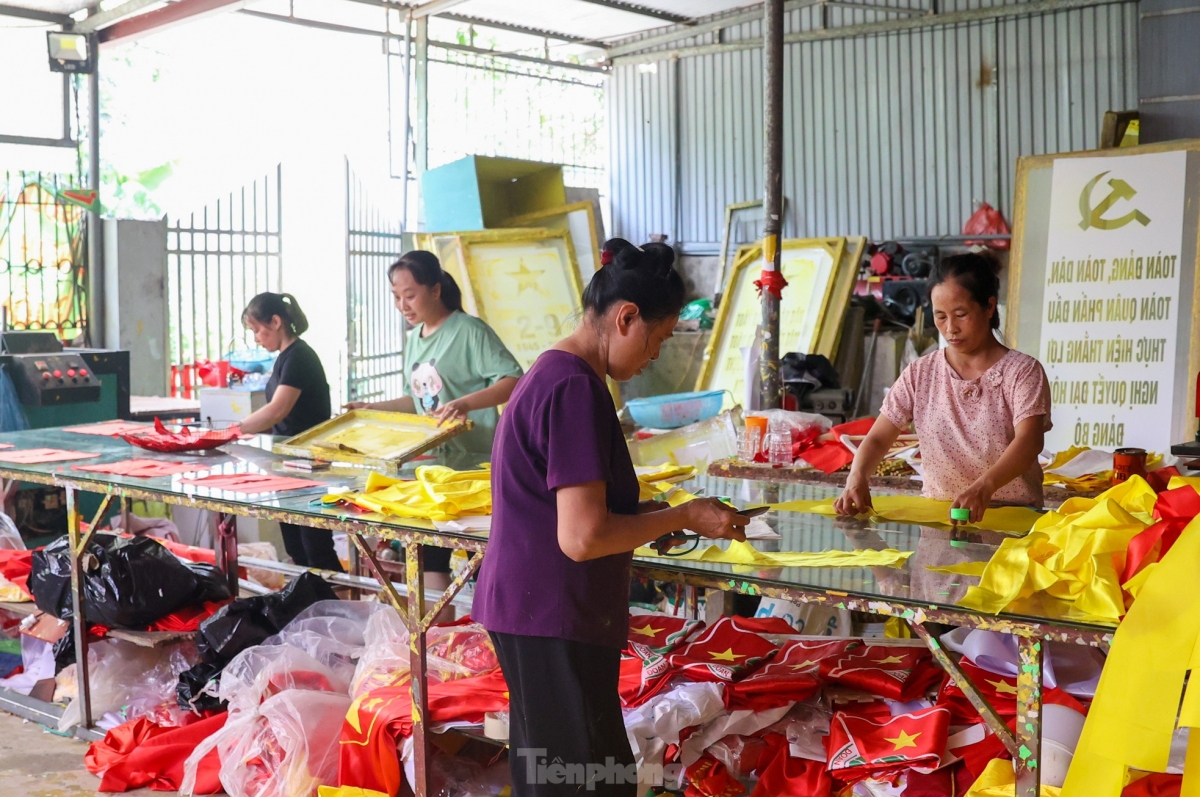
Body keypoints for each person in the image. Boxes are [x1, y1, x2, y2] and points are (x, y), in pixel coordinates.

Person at [473, 238, 747, 796]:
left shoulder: (554, 373)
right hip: (551, 614)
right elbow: (583, 536)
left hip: (537, 610)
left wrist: (658, 519)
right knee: (585, 780)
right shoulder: (574, 388)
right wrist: (682, 515)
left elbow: (583, 513)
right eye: (659, 339)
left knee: (564, 772)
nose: (653, 357)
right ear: (626, 318)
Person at [345, 250, 523, 587]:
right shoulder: (414, 339)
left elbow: (513, 381)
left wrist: (466, 403)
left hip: (474, 468)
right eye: (396, 297)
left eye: (410, 295)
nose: (403, 305)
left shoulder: (469, 330)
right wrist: (370, 408)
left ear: (436, 290)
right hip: (430, 471)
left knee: (485, 559)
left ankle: (490, 636)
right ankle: (439, 639)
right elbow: (417, 402)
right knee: (430, 557)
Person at [835, 252, 1052, 522]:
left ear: (989, 307)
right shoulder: (920, 372)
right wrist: (857, 477)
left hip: (1012, 517)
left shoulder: (1021, 372)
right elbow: (879, 437)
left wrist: (984, 488)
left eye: (961, 315)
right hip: (939, 518)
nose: (950, 329)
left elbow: (1029, 442)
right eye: (940, 317)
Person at [237, 292, 340, 571]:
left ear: (276, 321)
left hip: (309, 463)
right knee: (296, 546)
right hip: (288, 463)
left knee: (316, 547)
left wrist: (233, 431)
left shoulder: (300, 357)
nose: (257, 338)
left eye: (258, 330)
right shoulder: (284, 358)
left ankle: (341, 607)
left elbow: (277, 410)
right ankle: (312, 605)